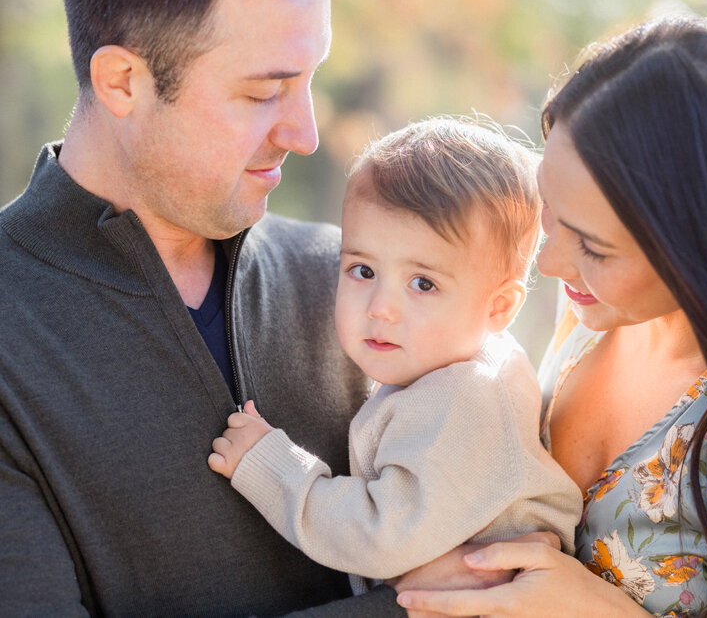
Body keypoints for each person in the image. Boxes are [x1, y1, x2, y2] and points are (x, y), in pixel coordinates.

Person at [394, 16, 707, 617]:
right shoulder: (591, 312)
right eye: (548, 210)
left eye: (594, 247)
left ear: (702, 243)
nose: (549, 262)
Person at [0, 0, 404, 614]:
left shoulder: (355, 286)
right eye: (264, 91)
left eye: (310, 80)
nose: (304, 131)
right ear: (122, 82)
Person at [208, 117, 583, 590]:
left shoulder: (469, 400)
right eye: (362, 270)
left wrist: (271, 466)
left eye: (423, 283)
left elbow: (382, 536)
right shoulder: (446, 367)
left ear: (498, 306)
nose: (381, 308)